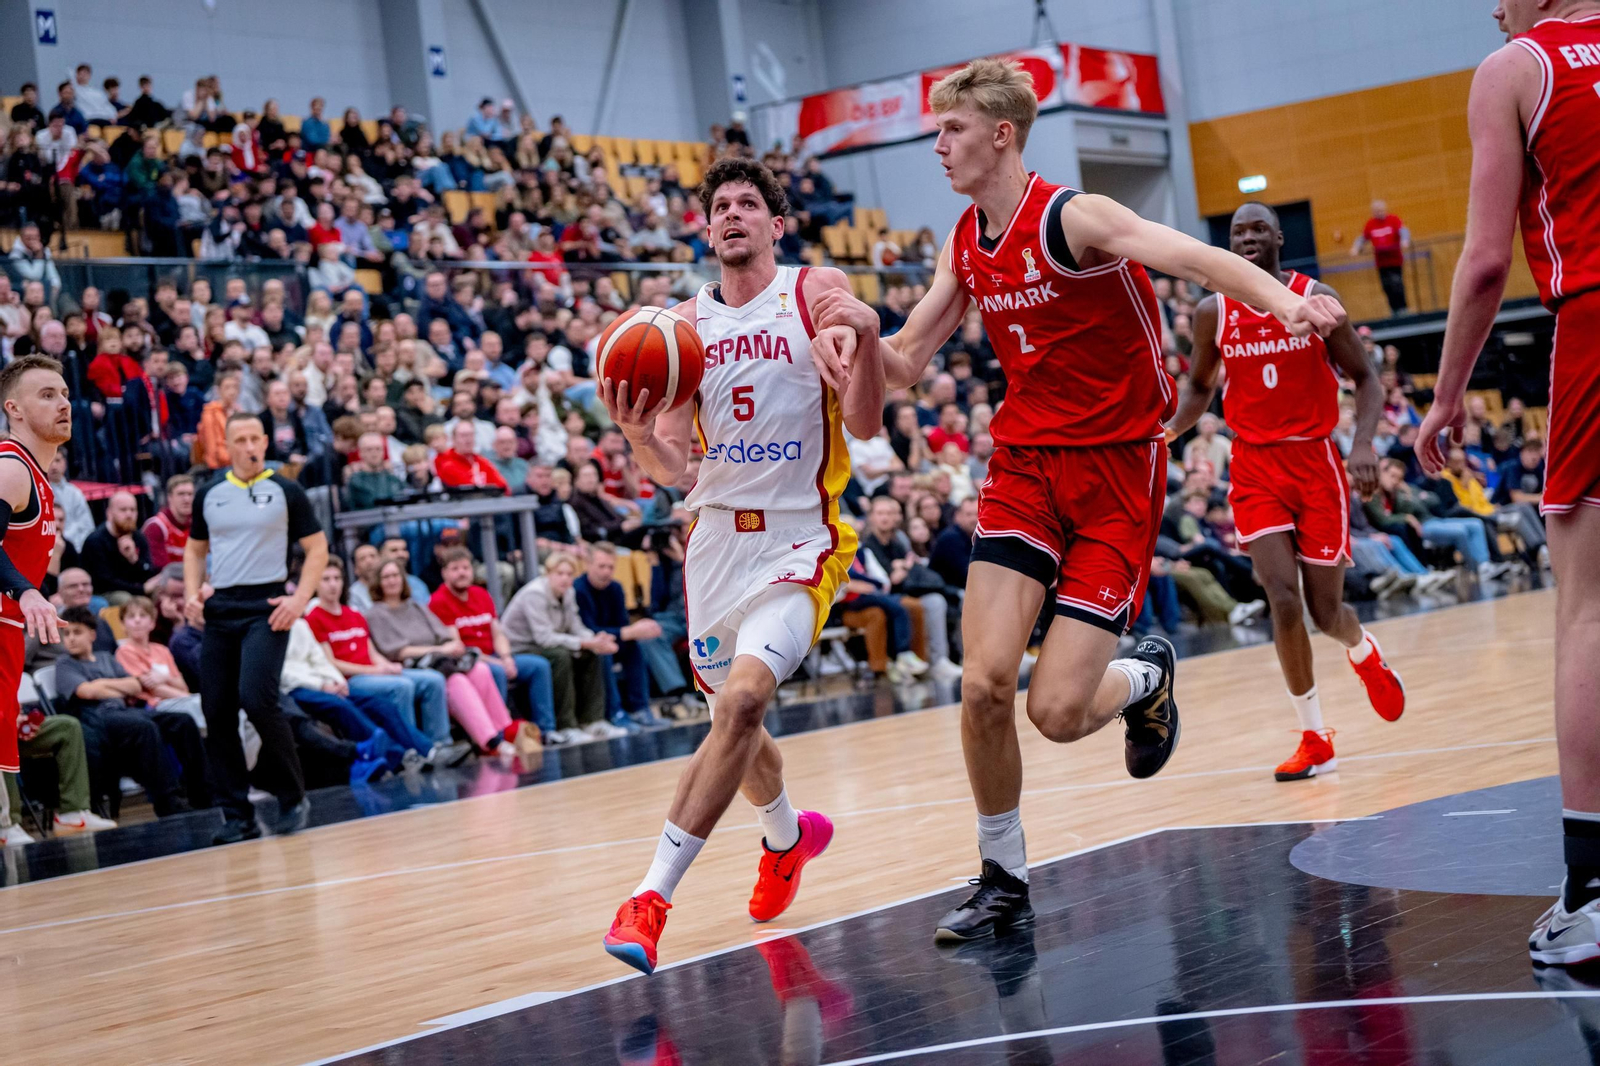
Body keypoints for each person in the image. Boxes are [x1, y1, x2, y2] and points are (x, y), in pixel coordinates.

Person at [809, 58, 1343, 943]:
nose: (938, 145)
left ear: (1001, 135)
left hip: (1114, 477)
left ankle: (1144, 675)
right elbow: (904, 362)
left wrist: (1282, 304)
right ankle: (1002, 877)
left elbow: (1193, 254)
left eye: (952, 130)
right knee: (982, 684)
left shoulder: (1073, 217)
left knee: (1054, 713)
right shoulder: (965, 240)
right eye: (938, 130)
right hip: (1023, 469)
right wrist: (857, 339)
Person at [598, 157, 885, 976]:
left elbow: (861, 418)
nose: (732, 214)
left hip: (801, 537)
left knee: (747, 698)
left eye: (747, 204)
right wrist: (635, 435)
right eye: (719, 205)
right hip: (716, 541)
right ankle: (787, 838)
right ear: (706, 225)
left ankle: (649, 898)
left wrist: (853, 333)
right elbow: (675, 468)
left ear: (775, 223)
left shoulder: (809, 289)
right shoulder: (683, 327)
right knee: (736, 720)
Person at [1414, 0, 1600, 967]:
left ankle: (1596, 892)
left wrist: (1447, 397)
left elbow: (1485, 262)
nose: (1490, 5)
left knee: (1589, 612)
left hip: (1599, 323)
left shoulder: (1520, 68)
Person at [1166, 202, 1406, 782]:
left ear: (1277, 237)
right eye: (1235, 232)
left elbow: (1367, 378)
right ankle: (1313, 733)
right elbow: (1199, 386)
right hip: (1254, 465)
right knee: (1283, 599)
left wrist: (1364, 445)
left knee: (1327, 613)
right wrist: (1168, 430)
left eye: (1255, 229)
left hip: (1317, 460)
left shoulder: (1313, 296)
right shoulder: (1212, 311)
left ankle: (1362, 650)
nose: (1245, 237)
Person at [185, 412, 329, 844]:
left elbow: (317, 549)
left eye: (255, 439)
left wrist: (300, 599)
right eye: (239, 440)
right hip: (221, 607)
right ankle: (237, 816)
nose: (248, 446)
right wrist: (193, 594)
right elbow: (194, 550)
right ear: (227, 446)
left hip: (268, 606)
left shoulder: (287, 490)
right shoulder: (209, 493)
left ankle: (292, 796)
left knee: (257, 697)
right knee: (216, 711)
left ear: (265, 442)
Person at [0, 355, 72, 842]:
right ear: (15, 409)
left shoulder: (39, 479)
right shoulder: (11, 467)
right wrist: (26, 591)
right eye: (47, 395)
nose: (63, 403)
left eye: (64, 393)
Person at [306, 559, 462, 767]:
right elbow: (331, 663)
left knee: (433, 680)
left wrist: (387, 666)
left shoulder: (354, 614)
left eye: (337, 578)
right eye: (326, 579)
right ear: (316, 584)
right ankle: (412, 753)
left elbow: (370, 651)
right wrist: (376, 670)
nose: (333, 584)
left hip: (373, 671)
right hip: (350, 679)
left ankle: (440, 744)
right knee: (402, 686)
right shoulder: (314, 618)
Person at [56, 605, 207, 818]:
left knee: (182, 721)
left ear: (92, 634)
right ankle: (167, 801)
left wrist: (102, 684)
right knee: (144, 727)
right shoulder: (65, 664)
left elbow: (136, 686)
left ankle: (203, 793)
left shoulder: (106, 657)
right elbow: (86, 691)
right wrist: (115, 685)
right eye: (66, 633)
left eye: (77, 632)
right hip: (98, 719)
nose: (70, 638)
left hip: (125, 711)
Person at [364, 559, 519, 758]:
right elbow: (398, 652)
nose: (392, 581)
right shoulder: (375, 614)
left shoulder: (416, 607)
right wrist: (438, 649)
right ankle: (489, 740)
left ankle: (503, 730)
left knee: (479, 670)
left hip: (440, 660)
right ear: (377, 582)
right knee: (456, 680)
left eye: (395, 575)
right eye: (386, 577)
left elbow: (445, 635)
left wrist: (449, 647)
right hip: (412, 665)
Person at [428, 548, 555, 744]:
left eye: (465, 567)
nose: (462, 573)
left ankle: (547, 730)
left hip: (495, 655)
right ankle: (503, 733)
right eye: (455, 569)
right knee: (495, 671)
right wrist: (497, 662)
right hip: (469, 663)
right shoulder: (439, 601)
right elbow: (459, 647)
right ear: (444, 573)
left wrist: (506, 657)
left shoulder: (481, 594)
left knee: (539, 666)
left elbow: (498, 633)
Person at [501, 552, 620, 744]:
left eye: (569, 574)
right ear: (548, 574)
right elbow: (544, 638)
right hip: (520, 648)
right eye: (560, 573)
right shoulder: (535, 594)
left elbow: (576, 627)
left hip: (546, 645)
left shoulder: (568, 593)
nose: (565, 578)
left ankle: (593, 720)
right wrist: (584, 642)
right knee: (561, 656)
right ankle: (566, 725)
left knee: (591, 653)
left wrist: (597, 640)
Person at [1351, 200, 1410, 315]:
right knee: (1386, 286)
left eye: (1381, 210)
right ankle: (1394, 310)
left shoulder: (1393, 220)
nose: (1380, 213)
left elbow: (1403, 231)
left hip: (1395, 261)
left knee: (1397, 284)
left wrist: (1404, 241)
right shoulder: (1371, 224)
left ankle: (1403, 309)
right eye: (1377, 211)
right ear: (1373, 212)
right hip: (1381, 263)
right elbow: (1362, 238)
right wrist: (1356, 248)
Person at [141, 473, 194, 570]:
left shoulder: (198, 524)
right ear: (169, 497)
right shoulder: (156, 527)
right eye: (181, 494)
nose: (187, 499)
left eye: (190, 494)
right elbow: (161, 570)